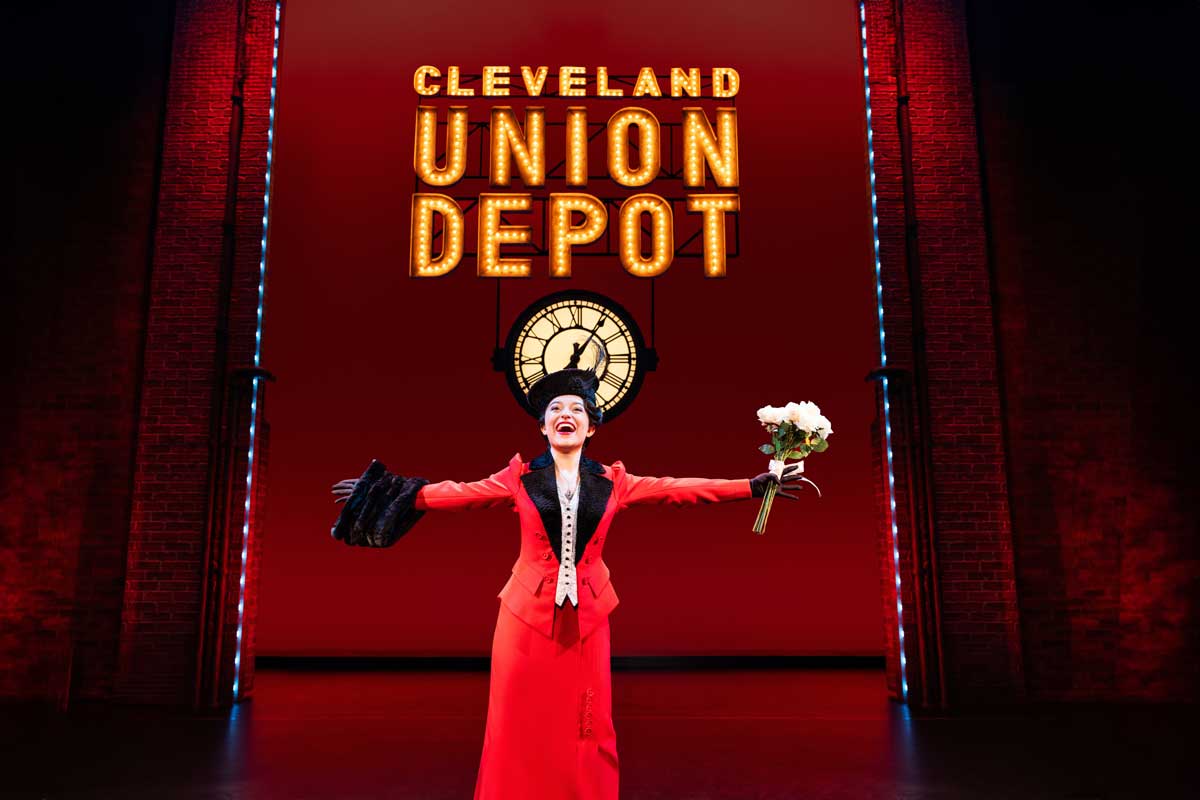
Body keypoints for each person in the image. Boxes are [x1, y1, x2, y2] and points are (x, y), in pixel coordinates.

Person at [330, 365, 808, 800]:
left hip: (587, 621)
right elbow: (458, 494)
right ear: (542, 426)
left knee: (587, 726)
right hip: (523, 620)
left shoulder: (614, 481)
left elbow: (675, 489)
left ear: (591, 426)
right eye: (555, 409)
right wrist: (381, 493)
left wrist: (750, 486)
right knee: (515, 725)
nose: (565, 415)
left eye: (576, 409)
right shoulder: (517, 478)